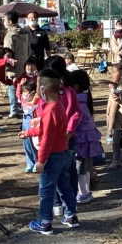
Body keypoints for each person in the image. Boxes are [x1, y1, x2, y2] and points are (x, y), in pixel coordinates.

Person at [20, 73, 79, 234]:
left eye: (39, 88)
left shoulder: (50, 110)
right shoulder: (58, 105)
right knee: (64, 186)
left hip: (52, 156)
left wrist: (40, 160)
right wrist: (29, 132)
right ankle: (71, 215)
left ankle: (45, 222)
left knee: (46, 190)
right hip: (63, 153)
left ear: (43, 89)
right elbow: (46, 129)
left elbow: (46, 138)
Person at [66, 70, 103, 205]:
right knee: (84, 166)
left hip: (80, 139)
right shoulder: (84, 99)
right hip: (86, 138)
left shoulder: (77, 103)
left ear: (75, 86)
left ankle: (83, 193)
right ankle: (85, 192)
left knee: (80, 167)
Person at [104, 62, 122, 168]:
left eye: (114, 72)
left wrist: (109, 128)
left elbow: (114, 109)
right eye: (111, 72)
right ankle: (119, 159)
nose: (112, 75)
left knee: (119, 141)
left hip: (121, 120)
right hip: (118, 120)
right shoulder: (117, 88)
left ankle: (118, 160)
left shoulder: (121, 88)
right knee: (118, 141)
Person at [3, 12, 27, 120]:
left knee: (12, 87)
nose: (3, 22)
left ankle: (14, 110)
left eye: (4, 20)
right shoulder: (25, 33)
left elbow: (7, 52)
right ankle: (23, 107)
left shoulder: (10, 35)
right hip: (25, 65)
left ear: (9, 21)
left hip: (13, 66)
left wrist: (6, 66)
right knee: (23, 87)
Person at [19, 79, 39, 172]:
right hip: (25, 120)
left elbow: (34, 101)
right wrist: (20, 85)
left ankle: (37, 162)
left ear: (33, 93)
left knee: (34, 144)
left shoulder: (37, 101)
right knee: (26, 143)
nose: (24, 94)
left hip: (33, 121)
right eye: (23, 92)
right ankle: (29, 163)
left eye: (26, 92)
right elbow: (18, 94)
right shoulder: (23, 99)